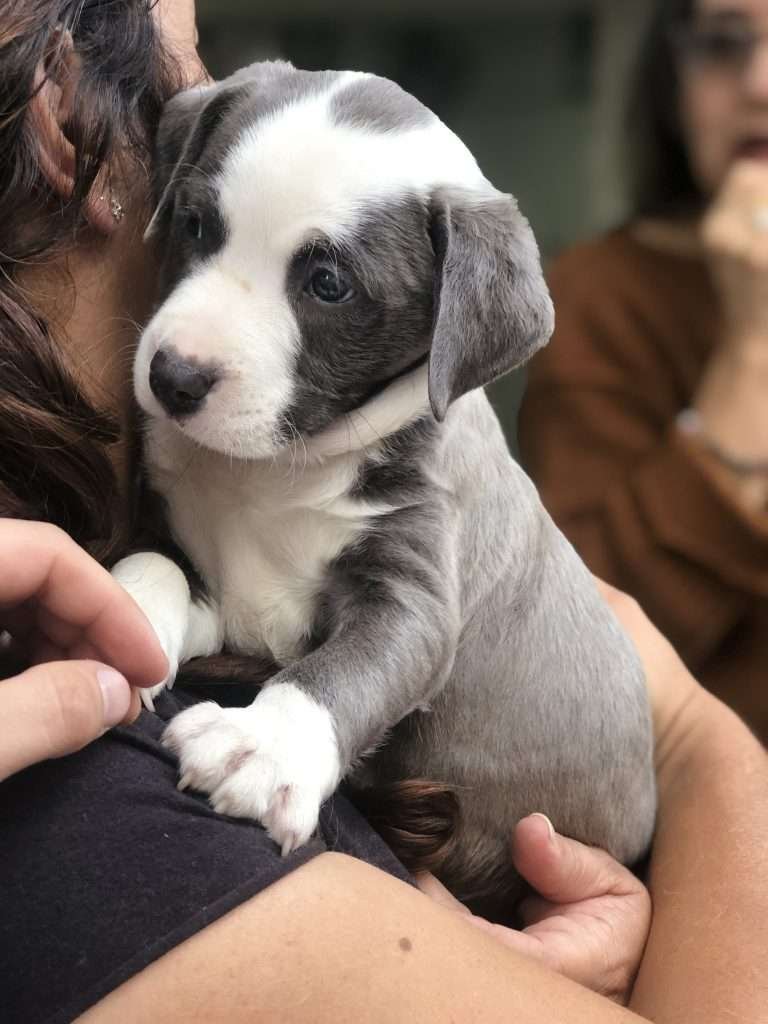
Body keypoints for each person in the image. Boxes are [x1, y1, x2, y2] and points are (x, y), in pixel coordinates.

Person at [0, 3, 766, 1021]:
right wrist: (697, 739)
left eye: (324, 283)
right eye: (201, 222)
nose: (190, 339)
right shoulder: (118, 833)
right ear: (63, 112)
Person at [519, 0, 768, 743]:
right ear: (673, 75)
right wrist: (751, 352)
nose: (759, 82)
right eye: (724, 45)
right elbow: (580, 657)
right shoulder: (605, 294)